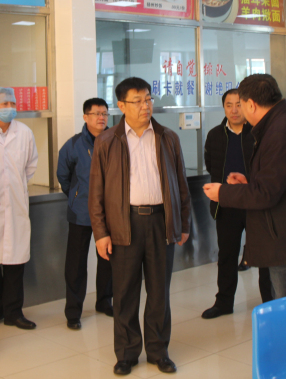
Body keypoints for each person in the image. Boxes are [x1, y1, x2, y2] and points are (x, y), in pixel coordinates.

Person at [202, 74, 286, 328]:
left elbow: (267, 193)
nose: (239, 111)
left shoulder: (281, 131)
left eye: (241, 105)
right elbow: (280, 181)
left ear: (251, 104)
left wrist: (223, 193)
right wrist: (248, 183)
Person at [89, 77, 191, 376]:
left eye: (148, 99)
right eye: (138, 101)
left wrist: (183, 222)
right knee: (124, 294)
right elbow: (96, 193)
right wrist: (101, 233)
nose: (145, 106)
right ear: (121, 106)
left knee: (159, 292)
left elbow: (181, 184)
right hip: (124, 224)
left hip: (161, 221)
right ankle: (126, 353)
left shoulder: (168, 137)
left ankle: (158, 351)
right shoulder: (107, 141)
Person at [201, 89, 273, 320]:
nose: (234, 110)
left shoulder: (258, 133)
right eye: (229, 105)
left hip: (255, 203)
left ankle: (269, 301)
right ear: (223, 108)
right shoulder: (215, 135)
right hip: (227, 204)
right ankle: (224, 302)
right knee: (227, 255)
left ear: (247, 106)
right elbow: (211, 164)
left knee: (263, 255)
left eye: (238, 104)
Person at [0, 87, 39, 330]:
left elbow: (30, 166)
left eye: (13, 103)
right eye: (5, 104)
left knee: (15, 262)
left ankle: (13, 312)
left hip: (16, 205)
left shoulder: (24, 132)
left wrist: (15, 186)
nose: (10, 108)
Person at [57, 97, 114, 330]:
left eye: (104, 113)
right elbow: (63, 177)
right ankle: (73, 312)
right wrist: (76, 195)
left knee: (108, 259)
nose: (101, 118)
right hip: (81, 212)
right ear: (85, 117)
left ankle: (104, 301)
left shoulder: (116, 140)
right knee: (76, 264)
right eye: (96, 113)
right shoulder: (73, 145)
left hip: (110, 213)